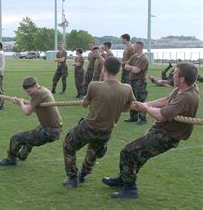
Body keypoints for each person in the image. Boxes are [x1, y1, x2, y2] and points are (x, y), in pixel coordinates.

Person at [103, 62, 199, 199]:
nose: (172, 74)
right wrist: (147, 104)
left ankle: (130, 189)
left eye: (175, 73)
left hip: (167, 135)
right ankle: (124, 179)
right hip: (161, 130)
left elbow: (161, 115)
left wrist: (145, 108)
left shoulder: (187, 96)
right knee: (138, 155)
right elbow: (166, 101)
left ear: (182, 79)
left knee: (128, 151)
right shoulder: (182, 89)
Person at [62, 57, 136, 188]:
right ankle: (83, 175)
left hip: (89, 127)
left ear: (104, 69)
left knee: (68, 145)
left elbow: (85, 104)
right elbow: (131, 106)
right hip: (106, 131)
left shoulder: (95, 85)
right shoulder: (127, 89)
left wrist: (87, 100)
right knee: (93, 152)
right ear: (118, 71)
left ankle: (73, 177)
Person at [0, 76, 63, 166]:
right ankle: (22, 156)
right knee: (29, 137)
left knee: (16, 138)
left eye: (29, 91)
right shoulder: (42, 90)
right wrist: (19, 103)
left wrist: (21, 103)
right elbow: (34, 109)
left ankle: (11, 159)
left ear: (35, 86)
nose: (28, 94)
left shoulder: (39, 93)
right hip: (49, 128)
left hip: (50, 131)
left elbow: (27, 112)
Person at [124, 42, 149, 125]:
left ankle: (142, 118)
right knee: (132, 99)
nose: (133, 48)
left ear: (138, 47)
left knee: (140, 99)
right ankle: (133, 117)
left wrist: (131, 67)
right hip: (132, 81)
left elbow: (136, 70)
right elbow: (126, 66)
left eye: (134, 47)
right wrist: (132, 67)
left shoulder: (144, 59)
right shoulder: (134, 56)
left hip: (139, 82)